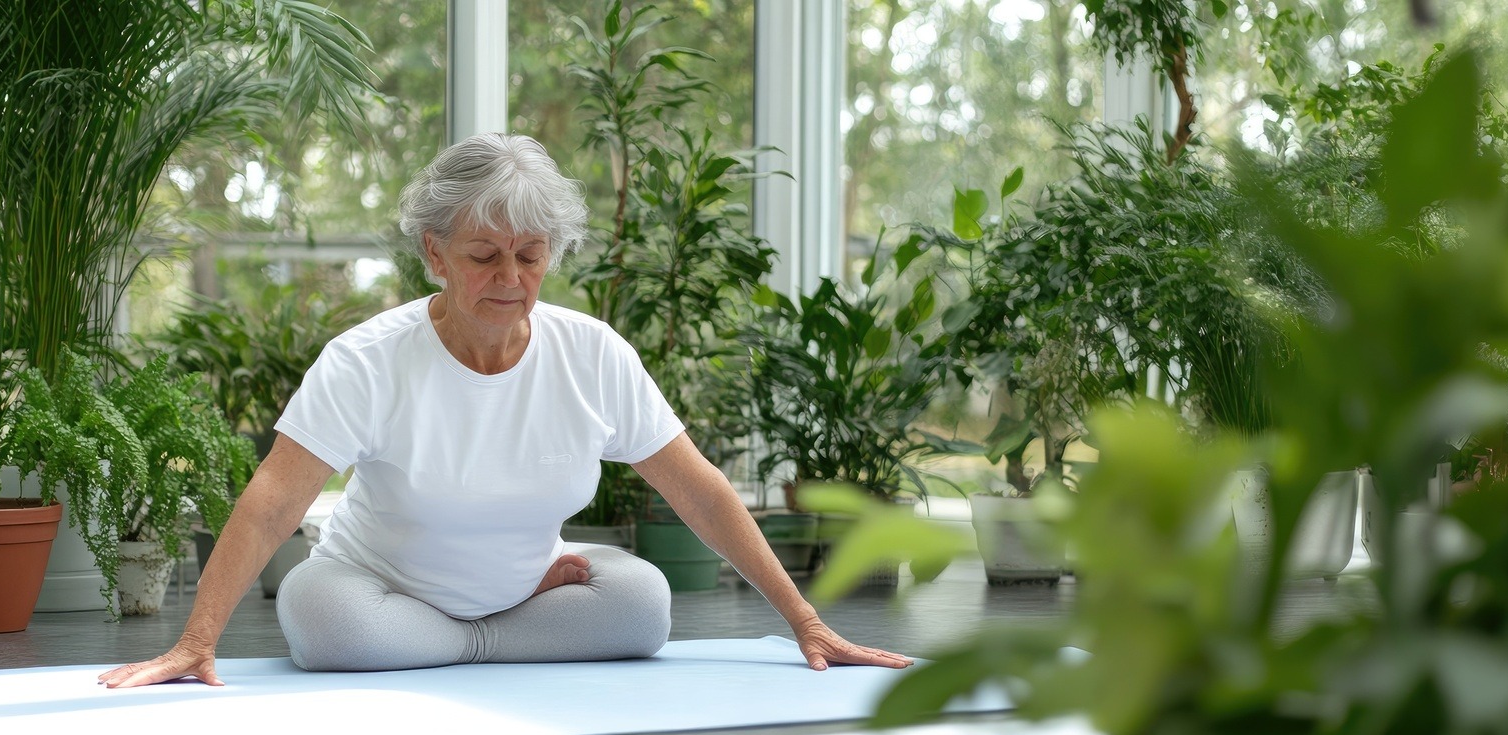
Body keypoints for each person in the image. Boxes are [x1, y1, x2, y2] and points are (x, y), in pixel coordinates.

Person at [99, 134, 912, 688]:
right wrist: (195, 641)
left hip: (522, 587)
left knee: (645, 604)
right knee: (324, 620)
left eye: (531, 257)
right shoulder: (368, 358)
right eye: (484, 257)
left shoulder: (592, 354)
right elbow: (276, 499)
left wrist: (808, 623)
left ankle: (484, 629)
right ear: (435, 253)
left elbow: (698, 490)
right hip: (379, 593)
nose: (512, 279)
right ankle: (494, 633)